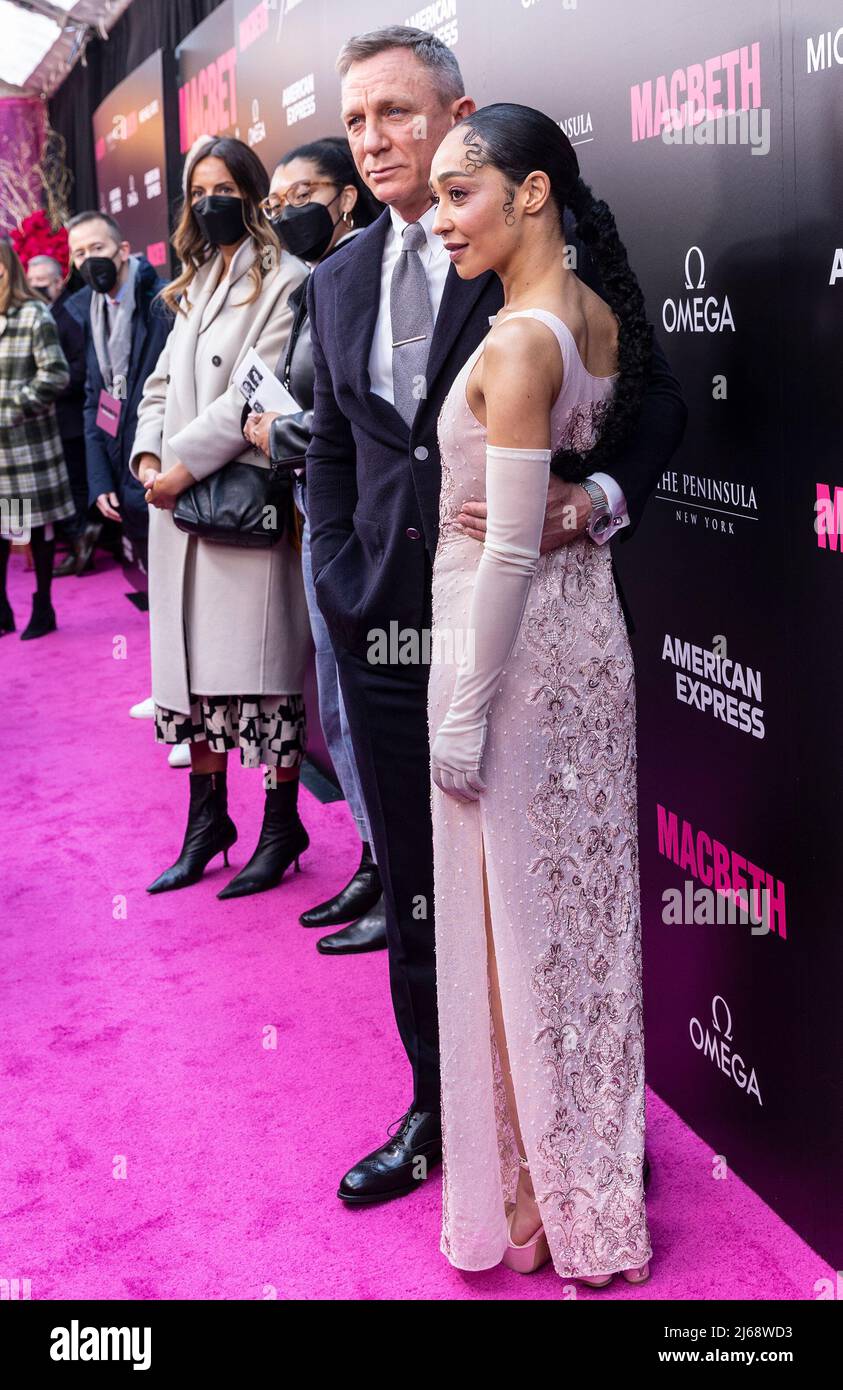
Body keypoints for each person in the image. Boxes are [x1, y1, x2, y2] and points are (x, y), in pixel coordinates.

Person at [305, 24, 686, 1205]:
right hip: (382, 624)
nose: (372, 140)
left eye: (398, 113)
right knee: (422, 891)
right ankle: (445, 1115)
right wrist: (338, 574)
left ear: (457, 112)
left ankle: (568, 1137)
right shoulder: (335, 277)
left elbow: (660, 404)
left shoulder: (522, 248)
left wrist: (603, 499)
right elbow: (330, 448)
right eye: (355, 118)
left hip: (516, 635)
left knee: (534, 897)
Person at [428, 103, 652, 1286]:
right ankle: (591, 1196)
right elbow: (556, 525)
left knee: (514, 932)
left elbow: (509, 552)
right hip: (584, 644)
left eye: (460, 191)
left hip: (503, 658)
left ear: (529, 194)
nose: (439, 215)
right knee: (581, 932)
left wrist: (460, 709)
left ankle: (538, 1202)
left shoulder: (518, 343)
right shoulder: (597, 314)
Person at [129, 135, 313, 899]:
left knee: (264, 673)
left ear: (252, 191)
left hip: (239, 505)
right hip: (176, 506)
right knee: (194, 677)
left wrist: (179, 468)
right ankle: (208, 823)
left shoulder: (288, 279)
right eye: (198, 190)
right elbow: (159, 383)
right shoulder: (196, 278)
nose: (210, 202)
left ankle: (280, 823)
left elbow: (257, 393)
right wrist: (145, 458)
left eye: (223, 188)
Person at [243, 136, 388, 955]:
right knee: (336, 698)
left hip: (368, 517)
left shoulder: (370, 266)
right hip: (318, 510)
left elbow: (359, 409)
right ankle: (372, 856)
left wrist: (279, 430)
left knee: (366, 697)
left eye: (304, 193)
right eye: (278, 199)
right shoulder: (314, 283)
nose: (286, 210)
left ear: (345, 194)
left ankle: (396, 872)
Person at [66, 210, 170, 576]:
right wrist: (99, 479)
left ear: (123, 250)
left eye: (97, 247)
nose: (89, 260)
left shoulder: (162, 304)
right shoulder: (90, 312)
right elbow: (95, 400)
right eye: (79, 254)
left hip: (164, 466)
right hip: (119, 466)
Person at [0, 238, 72, 640]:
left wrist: (14, 405)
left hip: (26, 448)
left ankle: (43, 606)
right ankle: (3, 610)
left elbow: (55, 375)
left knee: (33, 530)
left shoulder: (33, 315)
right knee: (3, 531)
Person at [26, 255, 89, 576]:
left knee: (73, 484)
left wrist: (43, 389)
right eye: (31, 282)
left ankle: (81, 541)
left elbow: (79, 369)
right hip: (38, 425)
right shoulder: (32, 316)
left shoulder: (69, 315)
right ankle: (73, 540)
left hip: (69, 418)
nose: (36, 288)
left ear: (60, 280)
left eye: (43, 282)